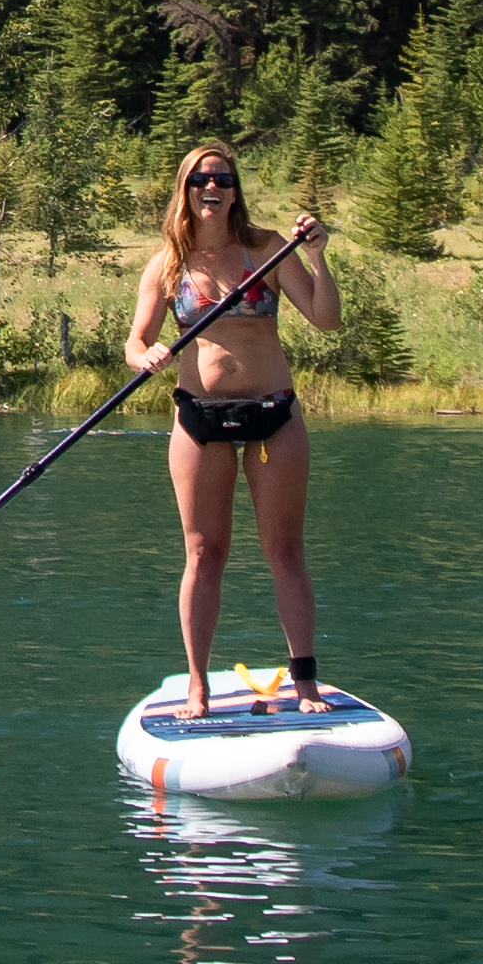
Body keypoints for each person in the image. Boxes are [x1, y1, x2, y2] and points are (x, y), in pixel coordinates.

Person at [126, 145, 337, 708]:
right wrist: (144, 356)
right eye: (200, 180)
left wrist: (318, 257)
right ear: (185, 190)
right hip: (198, 417)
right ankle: (197, 685)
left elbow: (326, 319)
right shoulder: (168, 264)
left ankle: (305, 682)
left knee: (285, 551)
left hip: (275, 413)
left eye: (222, 179)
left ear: (236, 189)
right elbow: (135, 340)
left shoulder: (267, 249)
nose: (211, 188)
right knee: (204, 553)